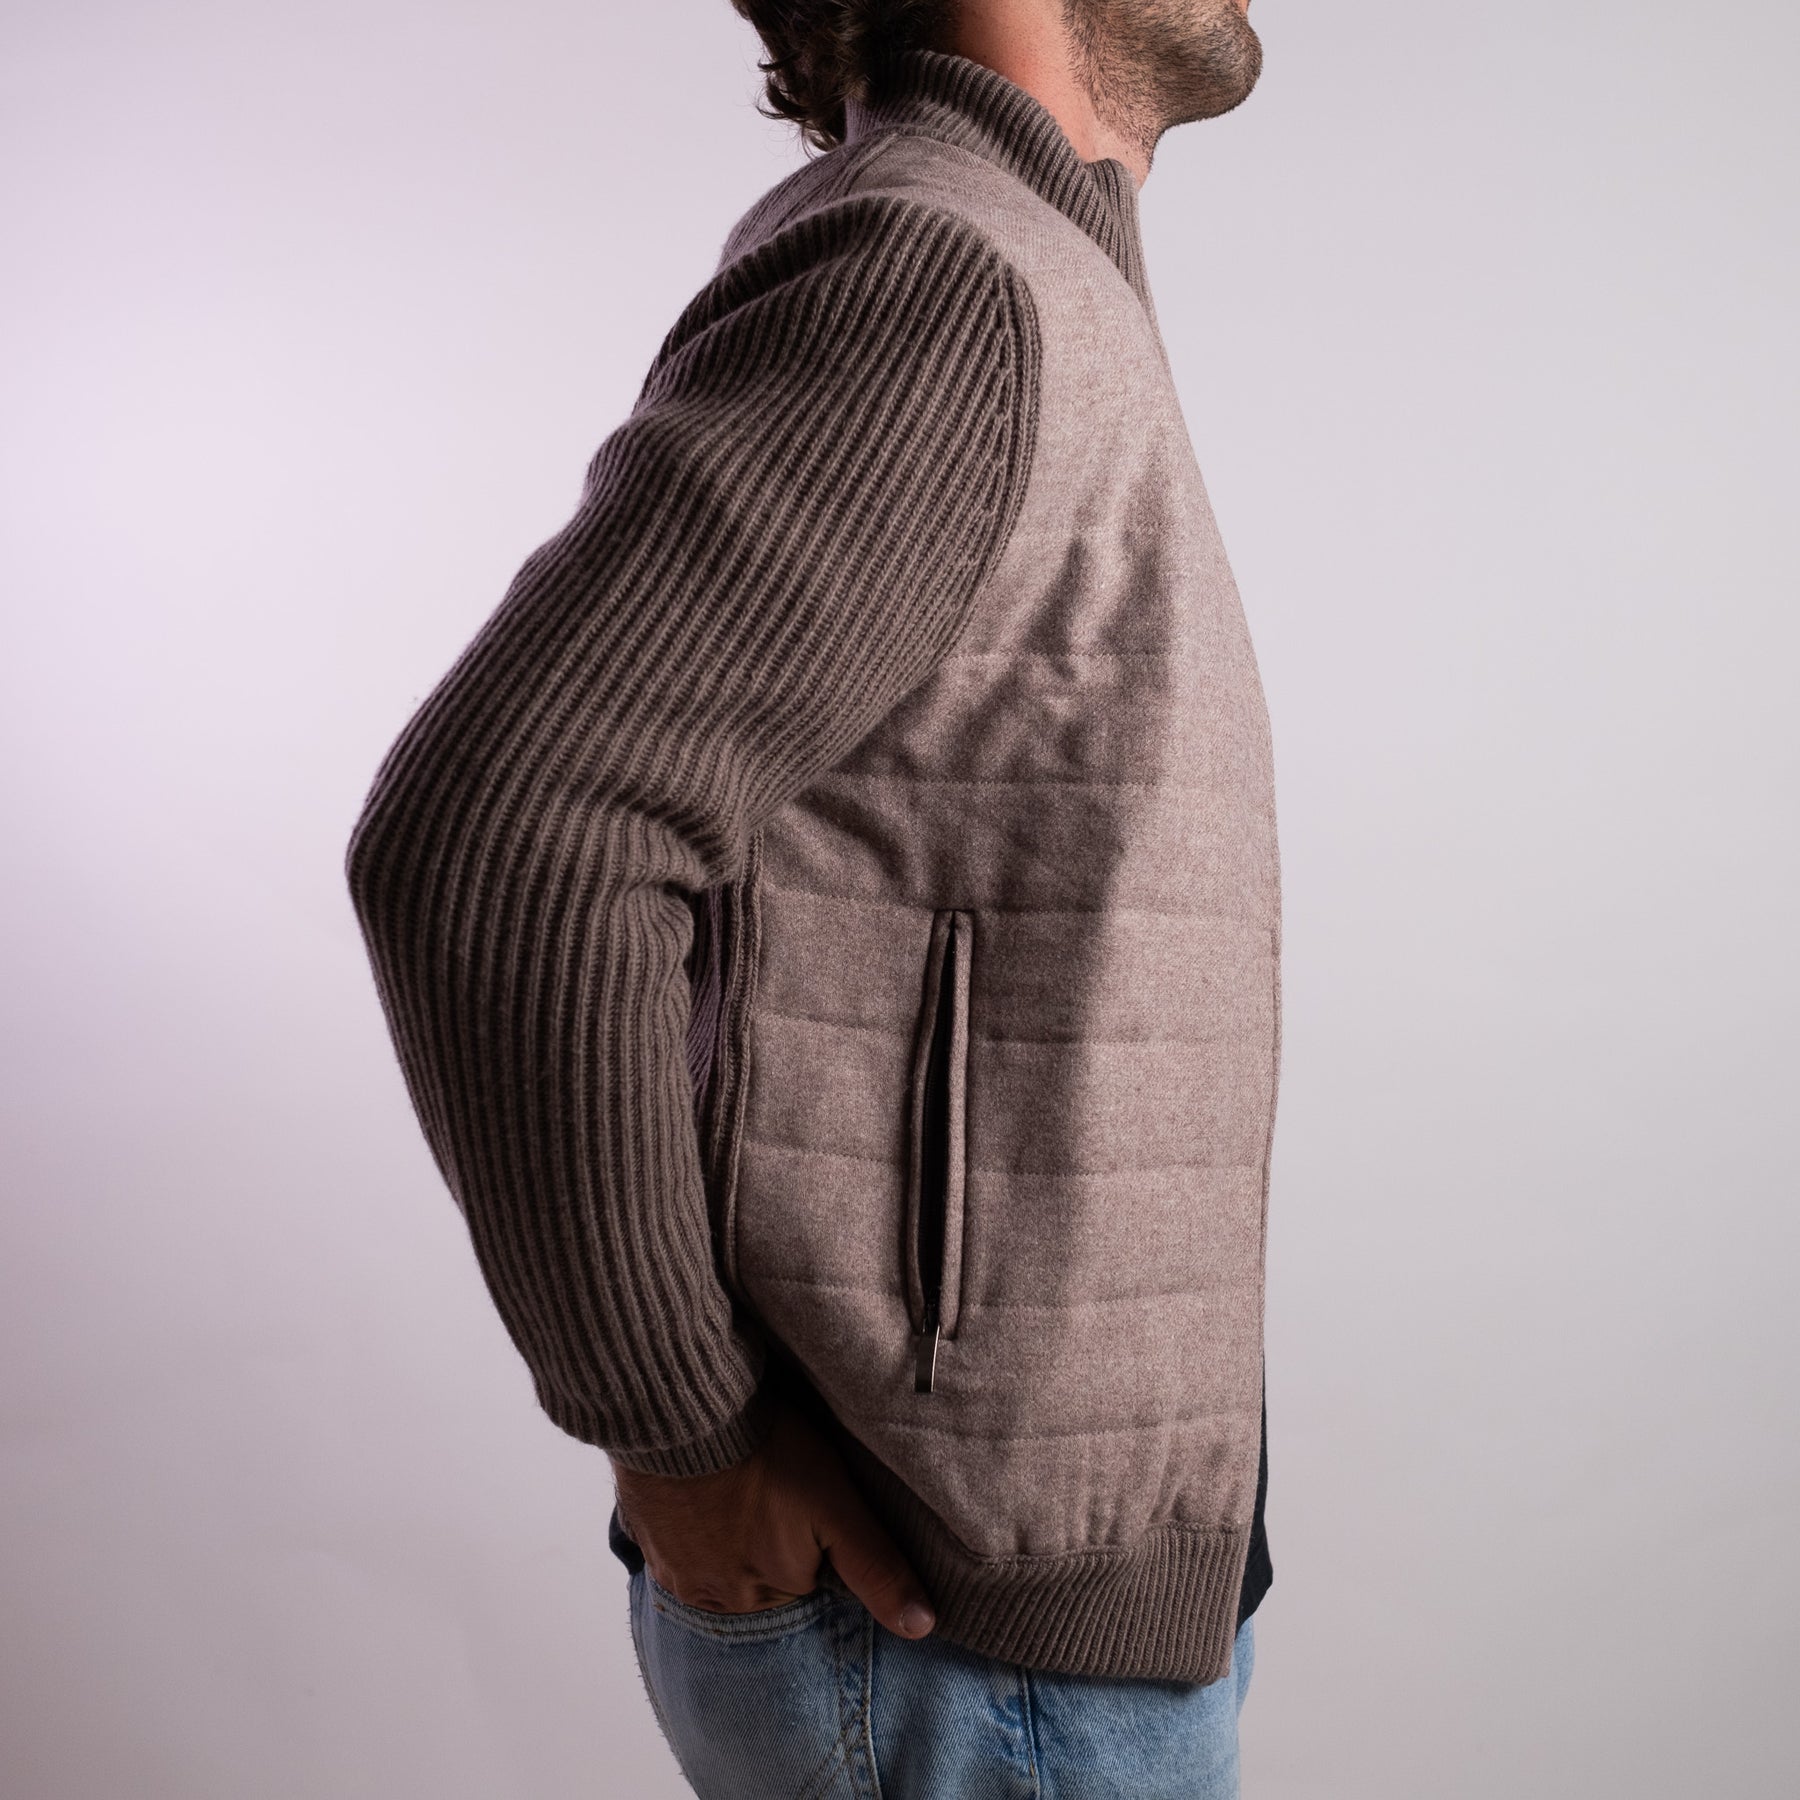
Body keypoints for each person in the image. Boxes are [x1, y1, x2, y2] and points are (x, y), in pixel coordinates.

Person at [344, 0, 1280, 1791]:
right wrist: (682, 1439)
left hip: (1029, 1629)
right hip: (952, 1643)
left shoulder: (1020, 266)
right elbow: (501, 830)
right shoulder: (943, 275)